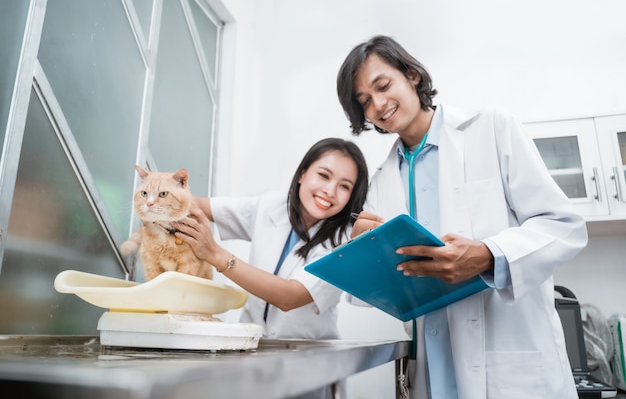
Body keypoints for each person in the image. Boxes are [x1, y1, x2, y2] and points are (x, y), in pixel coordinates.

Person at [336, 34, 588, 399]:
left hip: (508, 370)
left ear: (412, 75)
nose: (378, 105)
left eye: (383, 85)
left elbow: (563, 226)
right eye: (365, 101)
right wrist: (365, 254)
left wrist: (488, 255)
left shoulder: (490, 129)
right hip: (433, 370)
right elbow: (386, 290)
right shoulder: (382, 180)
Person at [172, 137, 369, 399]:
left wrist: (215, 254)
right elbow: (203, 206)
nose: (330, 191)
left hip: (307, 374)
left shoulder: (344, 244)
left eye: (344, 187)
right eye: (323, 175)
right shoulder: (270, 206)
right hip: (252, 362)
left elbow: (289, 297)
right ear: (302, 174)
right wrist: (160, 197)